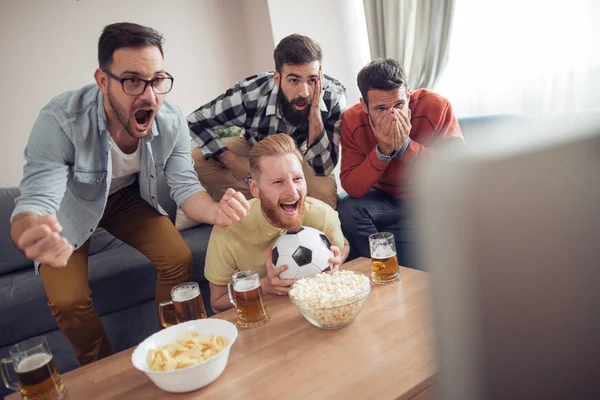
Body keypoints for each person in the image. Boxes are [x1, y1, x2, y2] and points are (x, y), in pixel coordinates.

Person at [9, 22, 250, 366]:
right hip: (70, 207)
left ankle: (176, 348)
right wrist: (30, 226)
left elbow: (185, 185)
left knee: (177, 257)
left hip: (125, 200)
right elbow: (37, 195)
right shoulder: (61, 119)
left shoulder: (170, 119)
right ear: (103, 80)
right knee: (67, 299)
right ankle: (100, 369)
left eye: (157, 80)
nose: (149, 95)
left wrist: (215, 212)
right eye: (132, 80)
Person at [188, 34, 347, 210]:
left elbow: (323, 168)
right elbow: (195, 121)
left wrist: (315, 115)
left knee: (324, 190)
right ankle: (257, 205)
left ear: (320, 74)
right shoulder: (251, 94)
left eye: (312, 80)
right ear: (277, 78)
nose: (305, 92)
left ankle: (286, 209)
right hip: (256, 148)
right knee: (197, 159)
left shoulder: (333, 96)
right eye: (294, 80)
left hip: (303, 151)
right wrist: (232, 160)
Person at [337, 58, 464, 269]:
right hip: (388, 199)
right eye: (381, 108)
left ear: (407, 92)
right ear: (364, 106)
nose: (393, 115)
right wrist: (382, 152)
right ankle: (388, 268)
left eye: (399, 104)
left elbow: (455, 168)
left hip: (431, 194)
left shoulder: (436, 106)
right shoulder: (352, 120)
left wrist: (406, 147)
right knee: (348, 210)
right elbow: (352, 186)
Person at [204, 134, 350, 313]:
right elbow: (217, 301)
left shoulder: (322, 214)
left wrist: (337, 260)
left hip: (319, 311)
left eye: (297, 179)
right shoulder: (229, 227)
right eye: (278, 182)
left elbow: (344, 245)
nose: (292, 191)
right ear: (254, 189)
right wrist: (263, 286)